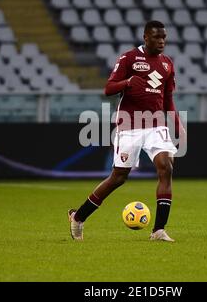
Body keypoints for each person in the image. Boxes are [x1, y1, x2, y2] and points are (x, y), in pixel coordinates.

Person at [68, 20, 186, 242]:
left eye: (164, 37)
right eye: (156, 37)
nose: (161, 41)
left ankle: (158, 230)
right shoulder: (129, 58)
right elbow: (108, 88)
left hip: (156, 124)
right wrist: (129, 81)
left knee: (166, 167)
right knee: (118, 177)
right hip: (130, 124)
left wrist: (176, 122)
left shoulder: (167, 64)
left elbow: (168, 99)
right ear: (145, 38)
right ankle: (78, 217)